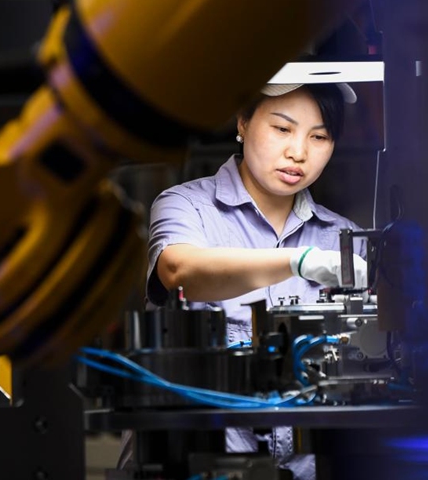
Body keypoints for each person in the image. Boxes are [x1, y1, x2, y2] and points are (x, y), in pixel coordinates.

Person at [145, 81, 368, 479]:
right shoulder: (186, 206)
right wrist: (297, 262)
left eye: (319, 137)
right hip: (198, 465)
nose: (298, 152)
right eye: (282, 129)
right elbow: (180, 272)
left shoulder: (343, 238)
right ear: (243, 121)